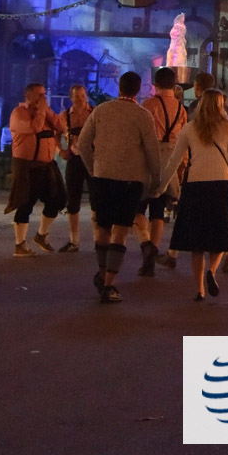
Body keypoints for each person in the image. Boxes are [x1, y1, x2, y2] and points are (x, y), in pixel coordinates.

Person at [77, 72, 161, 304]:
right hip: (131, 180)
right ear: (138, 90)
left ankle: (103, 273)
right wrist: (156, 178)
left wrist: (93, 168)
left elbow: (83, 143)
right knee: (121, 231)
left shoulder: (101, 111)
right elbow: (152, 150)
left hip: (102, 177)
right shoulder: (143, 115)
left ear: (119, 87)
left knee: (102, 227)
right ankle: (109, 283)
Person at [159, 89, 228, 299]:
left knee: (197, 242)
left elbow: (174, 160)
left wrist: (161, 185)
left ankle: (199, 290)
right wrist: (227, 176)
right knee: (221, 236)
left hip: (195, 185)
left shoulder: (189, 128)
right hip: (221, 184)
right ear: (221, 104)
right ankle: (212, 272)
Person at [157, 71, 216, 270]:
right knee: (218, 217)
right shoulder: (227, 121)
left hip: (196, 172)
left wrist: (165, 182)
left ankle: (173, 254)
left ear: (198, 89)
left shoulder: (192, 116)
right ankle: (226, 255)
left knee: (185, 214)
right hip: (219, 176)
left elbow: (179, 154)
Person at [133, 67, 187, 276]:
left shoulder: (148, 105)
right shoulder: (181, 109)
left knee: (137, 208)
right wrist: (182, 166)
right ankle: (153, 251)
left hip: (148, 159)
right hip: (170, 161)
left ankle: (146, 243)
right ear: (174, 85)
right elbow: (182, 139)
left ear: (155, 84)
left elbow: (140, 135)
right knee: (158, 210)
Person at [5, 82, 67, 257]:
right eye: (39, 95)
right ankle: (20, 244)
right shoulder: (19, 114)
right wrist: (41, 111)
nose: (43, 98)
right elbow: (35, 128)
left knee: (58, 199)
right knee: (25, 203)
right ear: (28, 95)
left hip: (47, 167)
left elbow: (60, 127)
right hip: (27, 167)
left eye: (44, 94)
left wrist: (47, 111)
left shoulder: (44, 112)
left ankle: (41, 234)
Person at [57, 84, 95, 253]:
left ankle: (98, 239)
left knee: (97, 201)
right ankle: (74, 241)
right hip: (74, 159)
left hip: (92, 160)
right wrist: (60, 151)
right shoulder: (64, 115)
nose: (80, 99)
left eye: (82, 95)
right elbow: (53, 134)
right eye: (77, 96)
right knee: (73, 201)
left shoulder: (94, 113)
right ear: (70, 98)